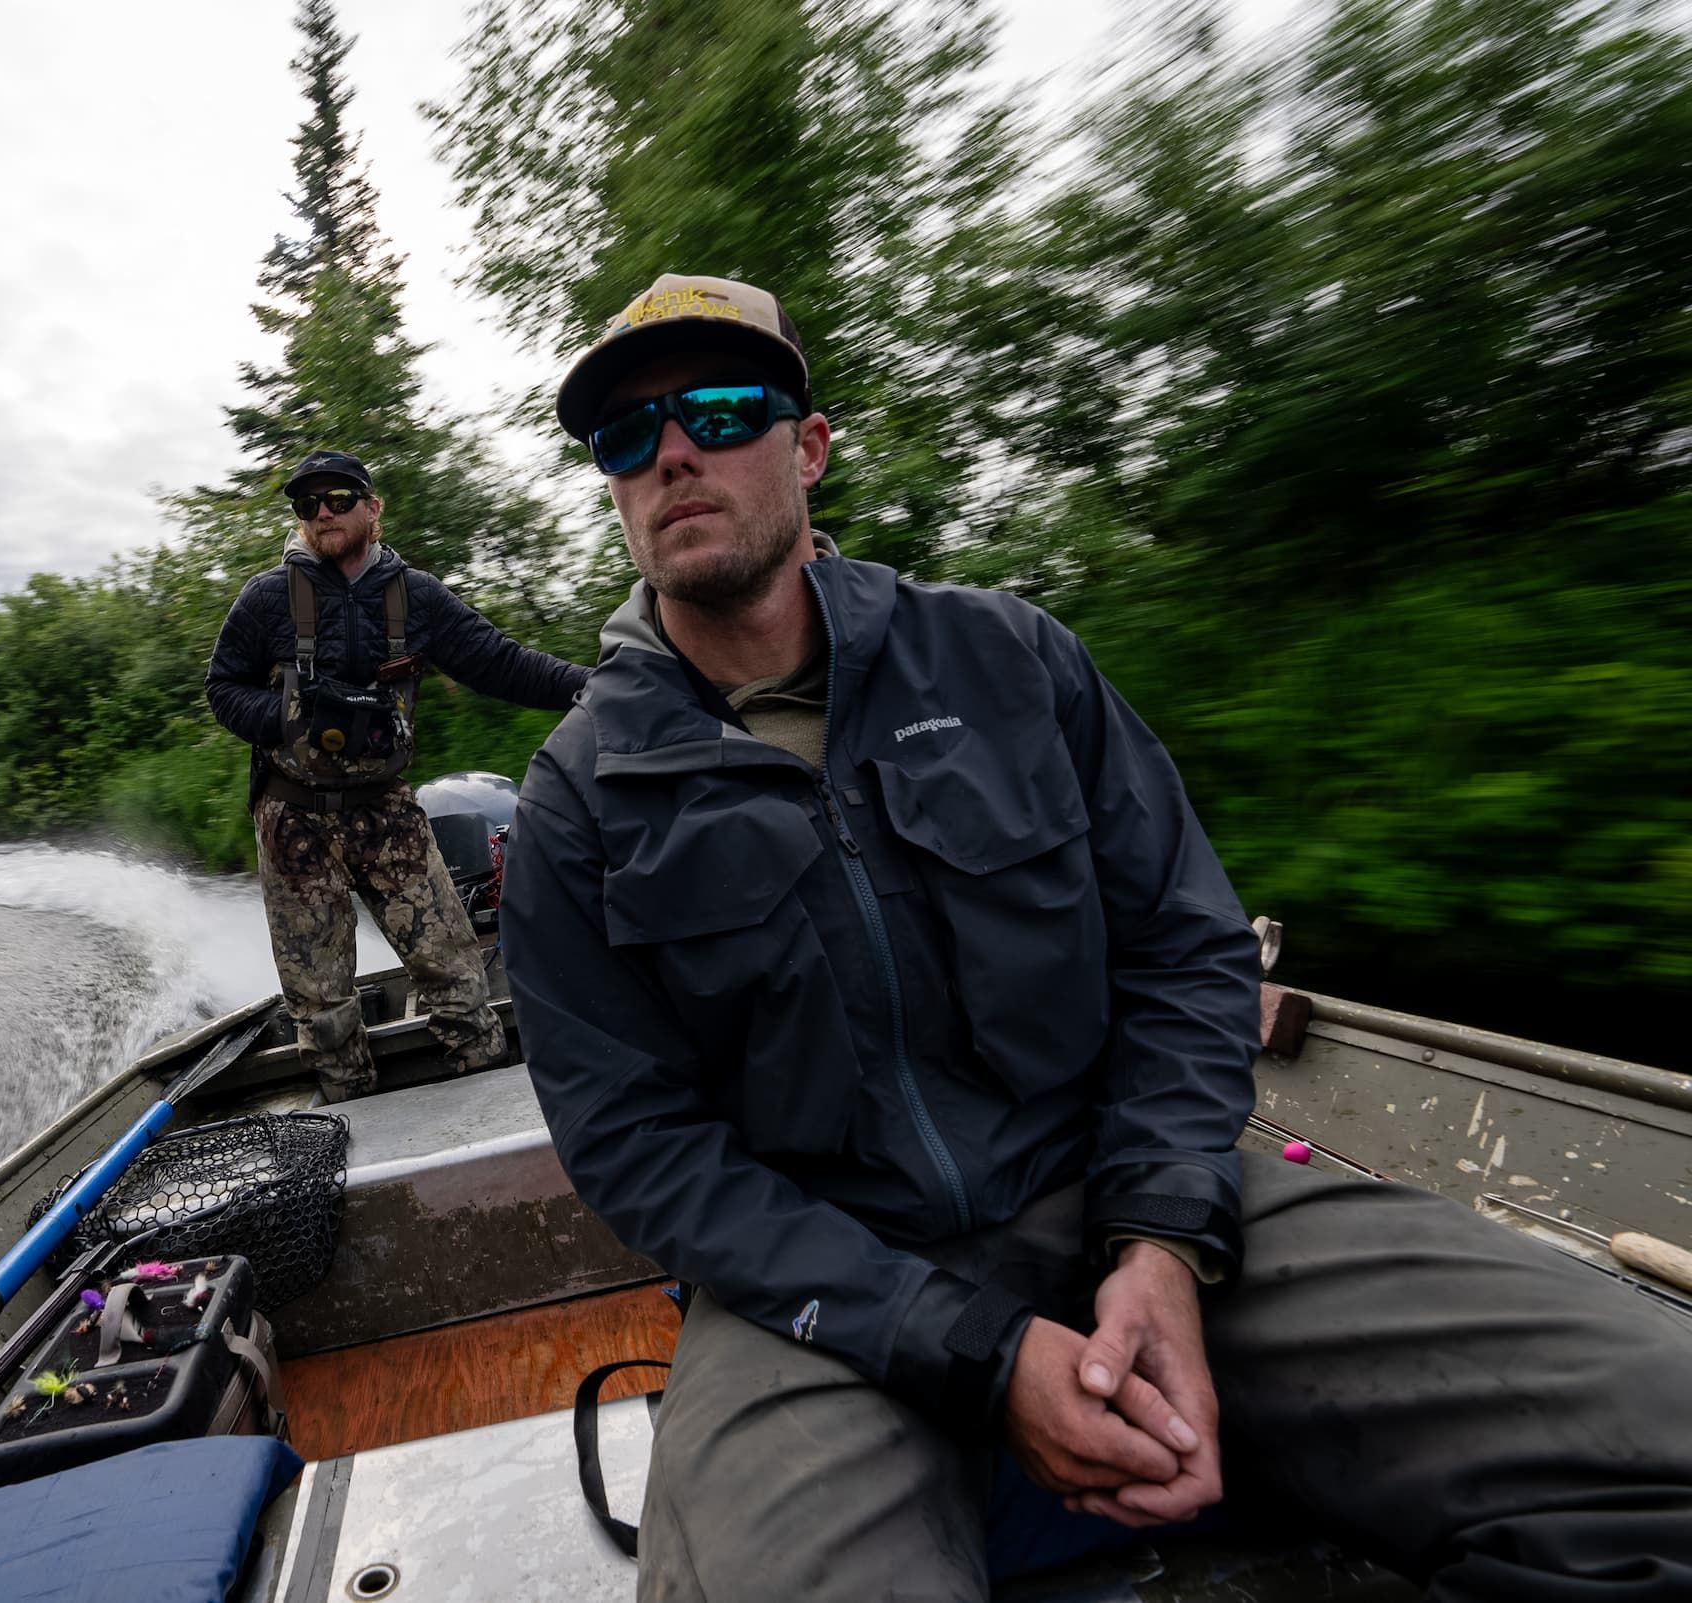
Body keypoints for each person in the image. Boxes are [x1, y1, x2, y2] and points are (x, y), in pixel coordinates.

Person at [501, 273, 1692, 1601]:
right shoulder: (577, 799)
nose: (672, 452)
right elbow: (642, 1149)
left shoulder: (1011, 661)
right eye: (626, 434)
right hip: (828, 1282)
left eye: (719, 408)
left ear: (810, 445)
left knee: (1661, 1435)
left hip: (1123, 1187)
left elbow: (1184, 953)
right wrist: (977, 1346)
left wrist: (1163, 1240)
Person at [207, 449, 587, 1102]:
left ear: (372, 508)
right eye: (307, 504)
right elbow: (222, 687)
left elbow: (502, 663)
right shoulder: (269, 599)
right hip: (292, 815)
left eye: (338, 498)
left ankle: (489, 1113)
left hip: (384, 807)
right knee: (324, 1013)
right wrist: (287, 718)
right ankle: (354, 1130)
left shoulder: (417, 597)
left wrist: (599, 686)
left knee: (460, 977)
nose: (322, 512)